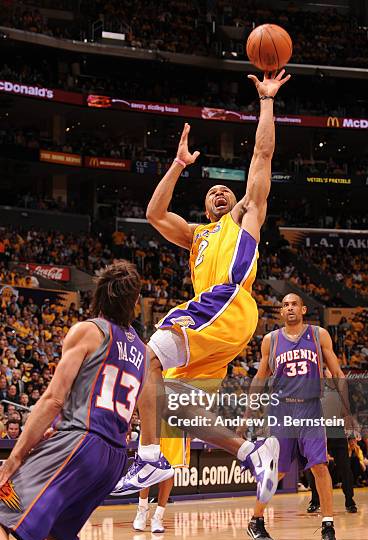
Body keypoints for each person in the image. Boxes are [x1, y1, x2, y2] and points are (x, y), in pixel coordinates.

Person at [113, 70, 291, 504]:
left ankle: (150, 454)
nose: (218, 195)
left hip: (227, 300)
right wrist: (177, 164)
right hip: (215, 324)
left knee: (145, 355)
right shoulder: (196, 234)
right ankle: (251, 452)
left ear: (239, 201)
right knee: (176, 407)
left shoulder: (245, 217)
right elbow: (155, 213)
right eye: (211, 192)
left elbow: (262, 157)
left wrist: (266, 101)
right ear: (204, 205)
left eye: (225, 191)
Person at [0, 260, 158, 540]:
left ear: (98, 293)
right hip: (116, 454)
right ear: (134, 303)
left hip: (82, 440)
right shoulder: (142, 351)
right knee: (47, 525)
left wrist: (15, 457)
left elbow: (53, 398)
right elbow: (146, 407)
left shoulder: (89, 331)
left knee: (1, 504)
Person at [238, 294, 351, 540]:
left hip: (311, 408)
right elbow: (259, 379)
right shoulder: (271, 340)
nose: (289, 308)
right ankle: (255, 520)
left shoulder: (318, 335)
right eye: (285, 305)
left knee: (319, 466)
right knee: (275, 470)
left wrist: (347, 411)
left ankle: (328, 527)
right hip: (281, 409)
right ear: (280, 312)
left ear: (303, 308)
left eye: (293, 304)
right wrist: (247, 415)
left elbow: (337, 373)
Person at [307, 369, 357, 514]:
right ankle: (315, 501)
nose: (325, 374)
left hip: (336, 430)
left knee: (345, 468)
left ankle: (350, 501)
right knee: (315, 468)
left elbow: (347, 413)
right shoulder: (312, 389)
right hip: (317, 431)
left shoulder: (340, 390)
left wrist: (352, 436)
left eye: (327, 372)